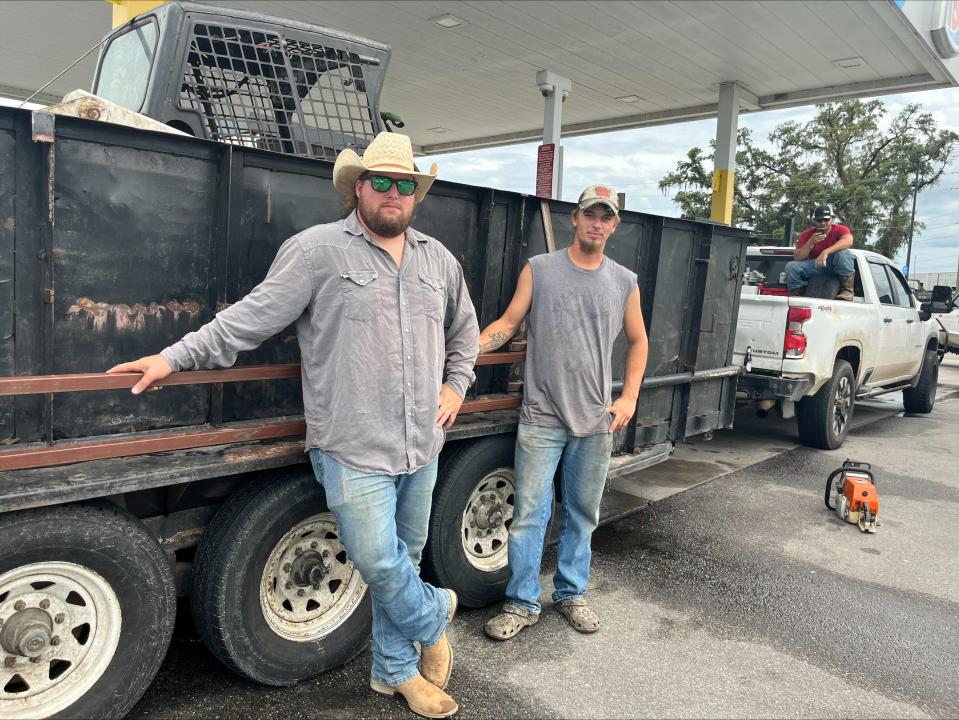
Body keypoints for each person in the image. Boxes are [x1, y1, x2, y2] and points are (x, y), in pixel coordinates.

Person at [107, 132, 478, 719]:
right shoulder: (316, 251)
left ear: (417, 194)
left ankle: (393, 672)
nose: (392, 193)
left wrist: (456, 387)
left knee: (401, 556)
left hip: (422, 441)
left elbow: (464, 335)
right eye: (380, 181)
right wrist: (171, 357)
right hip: (351, 445)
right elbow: (248, 320)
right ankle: (432, 615)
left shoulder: (439, 260)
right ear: (358, 187)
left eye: (403, 184)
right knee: (379, 561)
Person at [478, 184, 648, 641]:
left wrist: (629, 397)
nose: (597, 223)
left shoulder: (623, 281)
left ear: (614, 226)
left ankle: (572, 594)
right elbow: (507, 324)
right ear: (575, 218)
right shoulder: (540, 269)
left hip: (596, 420)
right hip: (541, 417)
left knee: (582, 514)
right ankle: (521, 602)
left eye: (606, 217)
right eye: (590, 214)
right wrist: (465, 351)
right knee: (529, 515)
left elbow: (639, 341)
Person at [785, 205, 856, 300]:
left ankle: (847, 290)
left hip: (834, 265)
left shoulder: (841, 229)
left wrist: (825, 252)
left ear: (832, 219)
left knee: (843, 254)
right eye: (819, 220)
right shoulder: (807, 234)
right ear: (815, 221)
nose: (823, 223)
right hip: (817, 266)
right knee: (791, 266)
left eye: (826, 220)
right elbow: (798, 258)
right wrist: (810, 242)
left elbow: (848, 241)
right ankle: (797, 294)